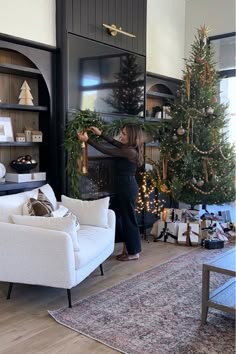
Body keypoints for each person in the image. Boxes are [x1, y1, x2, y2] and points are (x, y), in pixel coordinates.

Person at [77, 124, 144, 261]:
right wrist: (100, 134)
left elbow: (106, 150)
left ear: (131, 136)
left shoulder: (130, 151)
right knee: (115, 216)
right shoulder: (127, 148)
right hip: (122, 187)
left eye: (124, 134)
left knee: (128, 219)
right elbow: (114, 143)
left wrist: (87, 140)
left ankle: (134, 252)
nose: (121, 136)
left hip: (127, 187)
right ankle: (126, 248)